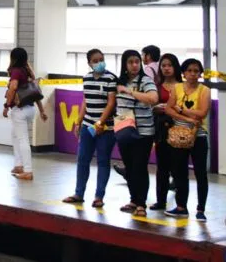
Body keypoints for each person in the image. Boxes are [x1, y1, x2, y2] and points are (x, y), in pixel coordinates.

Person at [64, 49, 117, 209]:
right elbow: (85, 101)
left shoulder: (111, 78)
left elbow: (111, 103)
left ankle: (99, 196)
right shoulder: (86, 78)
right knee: (82, 159)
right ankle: (79, 193)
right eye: (95, 60)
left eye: (101, 59)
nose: (99, 62)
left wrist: (100, 122)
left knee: (102, 161)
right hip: (88, 126)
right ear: (89, 63)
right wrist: (78, 122)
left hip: (105, 128)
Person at [165, 58, 211, 221]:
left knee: (200, 172)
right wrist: (189, 117)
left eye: (196, 71)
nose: (193, 74)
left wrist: (182, 109)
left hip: (198, 136)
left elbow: (203, 113)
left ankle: (201, 209)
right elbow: (168, 109)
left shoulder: (204, 90)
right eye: (189, 70)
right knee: (179, 171)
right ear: (183, 73)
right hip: (178, 135)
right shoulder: (176, 88)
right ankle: (181, 206)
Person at [115, 49, 159, 217]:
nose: (134, 65)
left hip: (143, 132)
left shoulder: (146, 81)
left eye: (137, 62)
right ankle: (133, 199)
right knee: (130, 167)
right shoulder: (120, 82)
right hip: (124, 129)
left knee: (140, 166)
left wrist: (130, 91)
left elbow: (153, 99)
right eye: (130, 62)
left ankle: (141, 203)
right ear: (125, 65)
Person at [3, 47, 47, 179]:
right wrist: (42, 111)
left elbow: (13, 88)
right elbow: (35, 93)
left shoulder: (16, 72)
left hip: (20, 110)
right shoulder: (27, 72)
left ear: (13, 58)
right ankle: (19, 165)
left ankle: (27, 170)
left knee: (22, 139)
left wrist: (6, 106)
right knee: (15, 135)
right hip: (30, 109)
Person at [149, 53, 182, 210]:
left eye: (169, 65)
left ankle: (181, 204)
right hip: (162, 130)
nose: (166, 68)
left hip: (180, 128)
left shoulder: (183, 86)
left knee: (178, 166)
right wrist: (157, 108)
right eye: (163, 66)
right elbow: (151, 106)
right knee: (162, 166)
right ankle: (160, 200)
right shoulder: (156, 86)